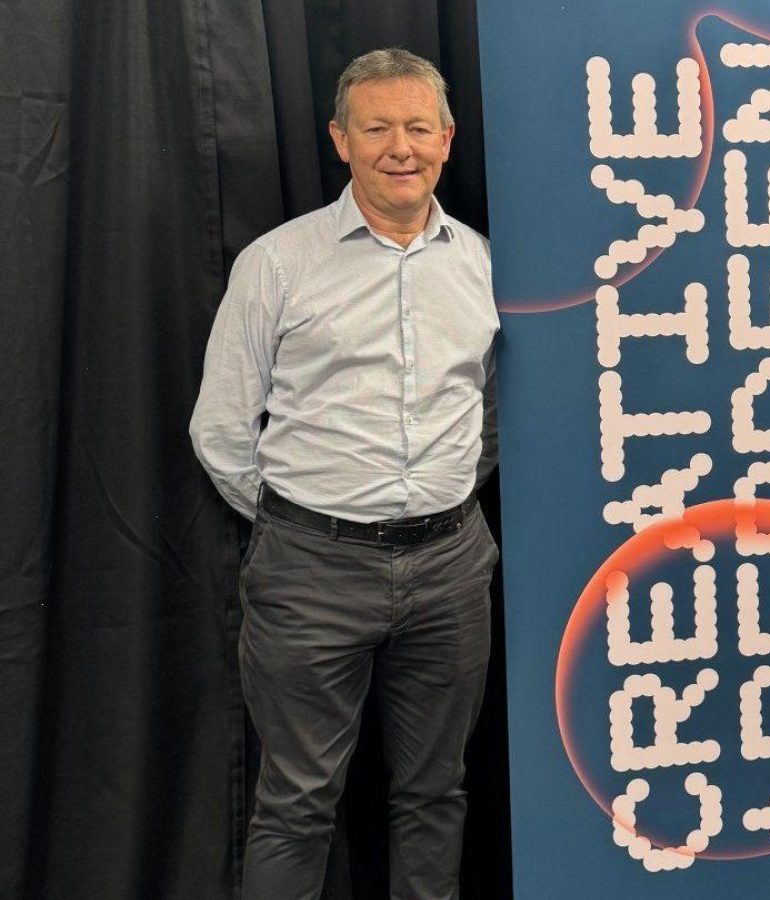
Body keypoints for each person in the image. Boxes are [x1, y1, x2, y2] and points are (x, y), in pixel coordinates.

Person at [189, 48, 499, 900]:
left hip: (450, 569)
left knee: (437, 792)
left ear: (447, 138)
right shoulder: (278, 265)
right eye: (376, 128)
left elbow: (490, 413)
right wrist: (301, 526)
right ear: (340, 139)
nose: (400, 148)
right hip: (310, 571)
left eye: (417, 128)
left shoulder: (482, 266)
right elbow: (221, 429)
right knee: (295, 805)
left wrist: (441, 502)